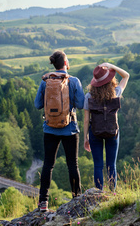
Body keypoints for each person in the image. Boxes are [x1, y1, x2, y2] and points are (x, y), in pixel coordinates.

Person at [34, 50, 85, 212]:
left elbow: (37, 105)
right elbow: (82, 104)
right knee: (72, 164)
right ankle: (77, 198)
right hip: (69, 128)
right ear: (65, 63)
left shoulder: (45, 81)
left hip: (49, 128)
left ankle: (43, 202)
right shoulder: (74, 81)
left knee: (48, 165)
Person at [83, 62, 129, 191]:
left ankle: (99, 193)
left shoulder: (89, 96)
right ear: (110, 80)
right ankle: (112, 192)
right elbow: (126, 76)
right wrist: (112, 66)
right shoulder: (116, 93)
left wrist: (85, 138)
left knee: (98, 165)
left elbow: (86, 120)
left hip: (95, 132)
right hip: (112, 132)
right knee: (111, 165)